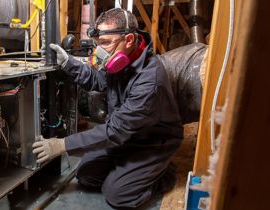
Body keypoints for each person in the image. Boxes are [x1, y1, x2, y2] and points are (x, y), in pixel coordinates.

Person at [32, 8, 183, 209]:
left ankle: (160, 174)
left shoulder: (150, 80)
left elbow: (116, 131)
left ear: (129, 40)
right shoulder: (121, 61)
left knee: (118, 195)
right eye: (97, 44)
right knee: (85, 175)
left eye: (105, 43)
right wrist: (68, 63)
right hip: (124, 137)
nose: (99, 51)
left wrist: (61, 145)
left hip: (151, 142)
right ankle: (127, 169)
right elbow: (97, 80)